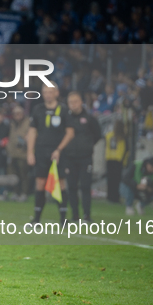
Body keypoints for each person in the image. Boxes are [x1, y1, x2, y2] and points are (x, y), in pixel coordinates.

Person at [26, 83, 75, 226]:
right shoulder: (38, 109)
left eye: (50, 91)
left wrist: (59, 149)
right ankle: (36, 219)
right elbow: (32, 132)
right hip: (41, 152)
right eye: (45, 91)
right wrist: (30, 152)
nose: (47, 94)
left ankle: (63, 219)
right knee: (40, 183)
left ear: (56, 93)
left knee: (60, 184)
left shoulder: (64, 110)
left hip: (59, 153)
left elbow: (70, 133)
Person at [63, 92, 102, 223]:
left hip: (85, 158)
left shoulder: (90, 119)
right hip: (69, 157)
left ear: (81, 102)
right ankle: (75, 216)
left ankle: (87, 215)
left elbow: (97, 134)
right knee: (72, 187)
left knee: (85, 186)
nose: (73, 104)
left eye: (75, 101)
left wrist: (87, 146)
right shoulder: (65, 119)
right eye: (70, 102)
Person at [6, 106, 31, 202]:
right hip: (13, 153)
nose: (17, 116)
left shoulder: (28, 122)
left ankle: (24, 193)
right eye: (15, 114)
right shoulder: (12, 124)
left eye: (19, 113)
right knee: (14, 175)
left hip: (23, 154)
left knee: (23, 175)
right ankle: (16, 192)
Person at [105, 120, 129, 202]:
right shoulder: (123, 137)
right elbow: (126, 150)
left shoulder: (109, 135)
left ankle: (109, 197)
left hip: (109, 159)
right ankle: (115, 198)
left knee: (110, 180)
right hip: (118, 160)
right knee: (117, 181)